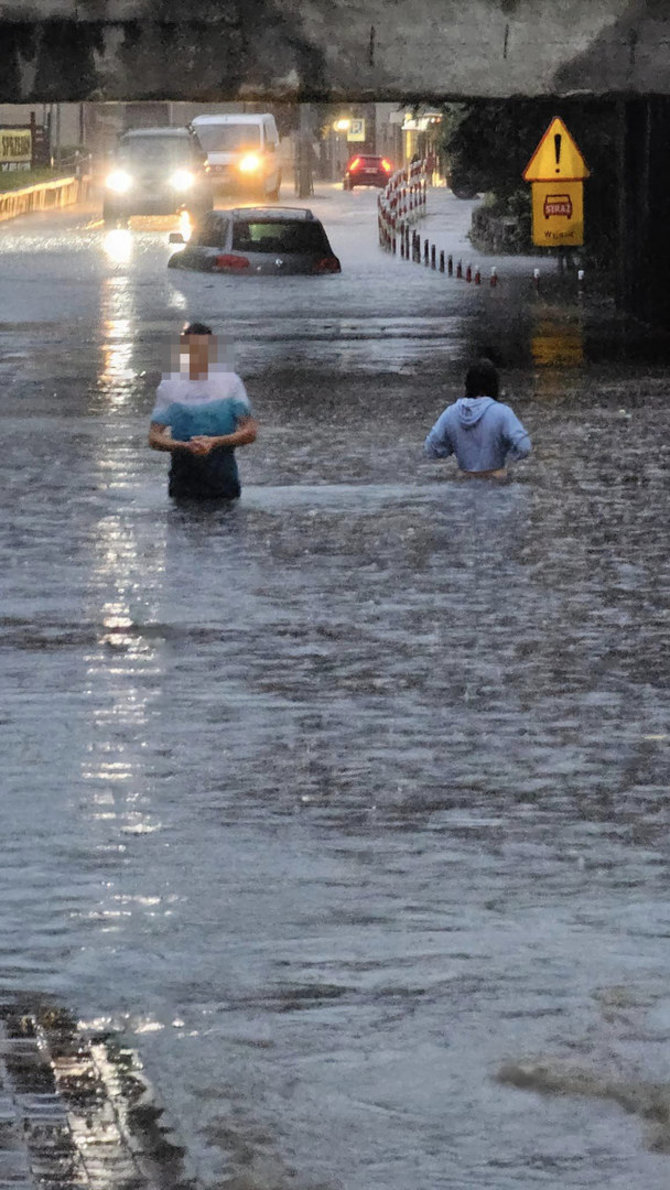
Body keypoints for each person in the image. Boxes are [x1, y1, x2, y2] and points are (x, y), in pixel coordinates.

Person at [149, 322, 258, 501]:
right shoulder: (169, 385)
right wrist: (183, 446)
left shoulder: (230, 383)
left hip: (223, 479)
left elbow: (250, 432)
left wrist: (216, 442)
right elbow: (154, 437)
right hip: (182, 479)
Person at [423, 358, 531, 479]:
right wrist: (506, 454)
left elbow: (430, 448)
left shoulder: (451, 413)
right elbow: (524, 447)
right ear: (495, 385)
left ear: (467, 385)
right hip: (497, 483)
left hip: (463, 483)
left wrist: (450, 448)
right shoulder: (503, 413)